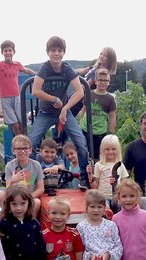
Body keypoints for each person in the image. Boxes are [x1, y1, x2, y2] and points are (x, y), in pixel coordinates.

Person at [29, 35, 90, 189]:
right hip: (46, 112)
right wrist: (54, 99)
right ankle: (32, 177)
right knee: (31, 142)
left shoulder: (67, 69)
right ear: (48, 52)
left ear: (63, 52)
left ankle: (83, 176)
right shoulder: (45, 68)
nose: (56, 54)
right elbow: (35, 90)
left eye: (59, 50)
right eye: (53, 50)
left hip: (64, 112)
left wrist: (65, 108)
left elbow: (79, 92)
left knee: (81, 142)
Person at [0, 134, 44, 218]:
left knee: (37, 202)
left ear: (30, 150)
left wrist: (28, 198)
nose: (22, 151)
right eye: (19, 149)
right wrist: (13, 181)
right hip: (13, 197)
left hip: (29, 197)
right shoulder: (9, 166)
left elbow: (41, 189)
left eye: (25, 148)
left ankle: (29, 223)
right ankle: (5, 219)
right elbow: (8, 190)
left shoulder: (36, 165)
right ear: (13, 150)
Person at [77, 68, 117, 161]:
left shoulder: (110, 99)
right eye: (101, 80)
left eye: (106, 80)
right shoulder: (89, 93)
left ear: (109, 82)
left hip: (99, 132)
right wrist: (80, 124)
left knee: (97, 156)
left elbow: (112, 117)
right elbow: (84, 109)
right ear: (95, 81)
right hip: (85, 129)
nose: (103, 83)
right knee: (83, 153)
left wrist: (111, 133)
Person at [70, 47, 118, 118]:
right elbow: (82, 70)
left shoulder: (100, 73)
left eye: (105, 56)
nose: (101, 56)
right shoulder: (94, 67)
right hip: (77, 94)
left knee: (66, 117)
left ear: (110, 59)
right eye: (101, 54)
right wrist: (68, 72)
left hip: (80, 99)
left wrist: (74, 90)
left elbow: (86, 86)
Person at [90, 134, 128, 213]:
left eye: (113, 149)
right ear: (102, 150)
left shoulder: (120, 165)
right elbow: (94, 186)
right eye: (107, 149)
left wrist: (117, 186)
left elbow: (125, 184)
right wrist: (90, 174)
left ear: (118, 150)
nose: (110, 152)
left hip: (117, 197)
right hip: (103, 198)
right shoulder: (98, 165)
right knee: (106, 214)